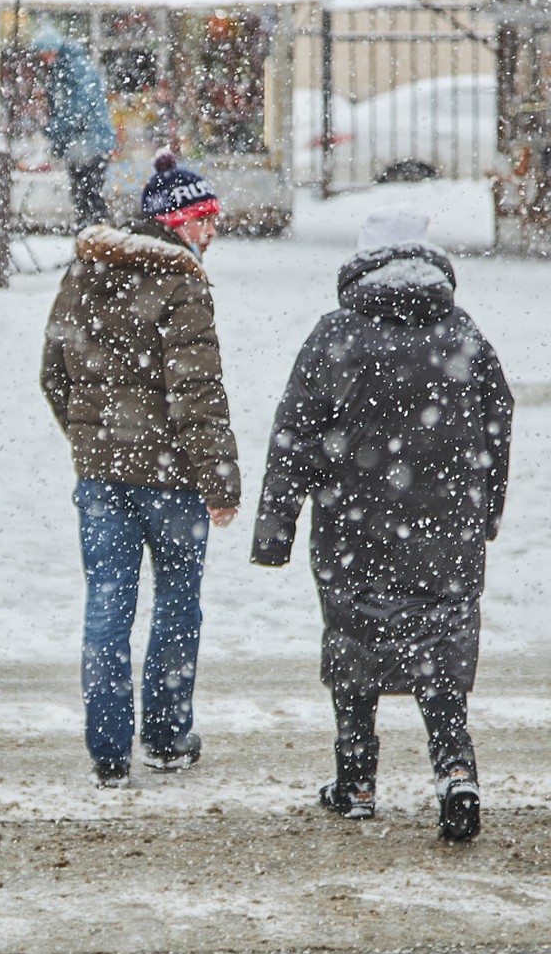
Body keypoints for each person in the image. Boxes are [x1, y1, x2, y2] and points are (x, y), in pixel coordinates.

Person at [250, 204, 512, 842]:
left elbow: (294, 437)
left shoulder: (335, 336)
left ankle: (357, 781)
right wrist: (488, 509)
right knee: (441, 654)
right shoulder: (463, 336)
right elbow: (498, 426)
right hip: (446, 532)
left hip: (353, 528)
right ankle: (456, 771)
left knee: (355, 648)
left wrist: (276, 529)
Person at [41, 148, 240, 788]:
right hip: (172, 479)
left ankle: (107, 751)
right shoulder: (183, 283)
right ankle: (166, 735)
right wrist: (219, 481)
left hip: (102, 477)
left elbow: (53, 372)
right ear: (178, 221)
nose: (211, 232)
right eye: (205, 218)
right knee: (177, 604)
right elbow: (198, 397)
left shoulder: (85, 273)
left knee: (107, 606)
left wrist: (91, 438)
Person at [30, 23, 118, 230]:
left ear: (52, 50)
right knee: (86, 195)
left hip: (89, 145)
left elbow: (80, 108)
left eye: (44, 54)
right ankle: (94, 238)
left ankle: (96, 239)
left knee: (87, 195)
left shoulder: (74, 66)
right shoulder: (68, 67)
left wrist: (54, 130)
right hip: (86, 144)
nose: (43, 60)